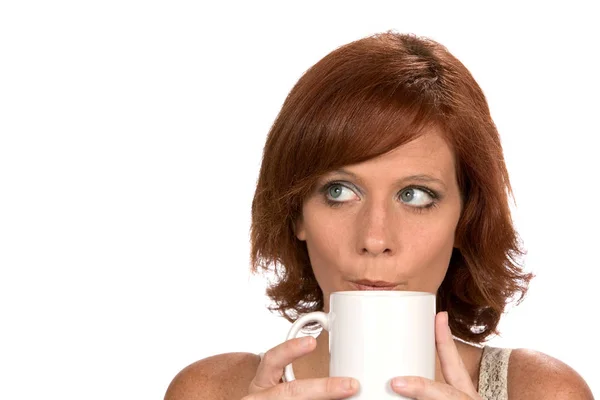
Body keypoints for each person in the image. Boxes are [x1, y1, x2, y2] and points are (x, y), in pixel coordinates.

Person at [164, 31, 593, 399]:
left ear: (466, 219)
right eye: (339, 191)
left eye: (416, 195)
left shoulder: (540, 390)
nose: (374, 238)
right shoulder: (211, 390)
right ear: (296, 215)